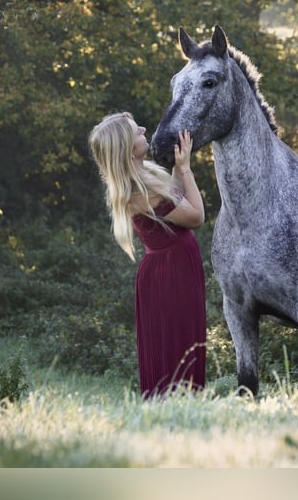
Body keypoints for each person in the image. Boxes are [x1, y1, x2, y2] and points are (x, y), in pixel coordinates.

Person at [88, 112, 207, 398]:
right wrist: (187, 169)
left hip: (178, 267)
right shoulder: (138, 191)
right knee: (176, 350)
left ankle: (185, 412)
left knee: (184, 344)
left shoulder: (146, 175)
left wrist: (178, 168)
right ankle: (173, 416)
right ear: (126, 147)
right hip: (169, 275)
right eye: (136, 131)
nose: (143, 129)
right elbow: (196, 216)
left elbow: (176, 196)